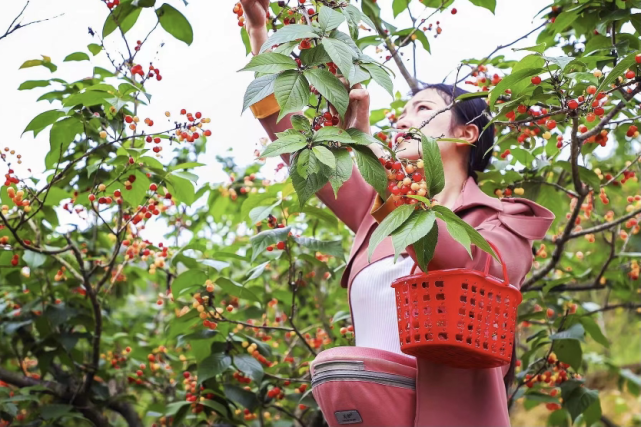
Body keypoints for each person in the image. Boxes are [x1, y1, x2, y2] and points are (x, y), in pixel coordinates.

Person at [240, 1, 555, 425]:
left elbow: (465, 263)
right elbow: (302, 146)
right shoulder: (378, 216)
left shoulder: (503, 220)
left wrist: (375, 157)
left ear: (466, 134)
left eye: (423, 109)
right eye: (402, 112)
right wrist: (261, 35)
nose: (403, 121)